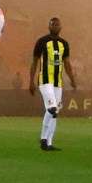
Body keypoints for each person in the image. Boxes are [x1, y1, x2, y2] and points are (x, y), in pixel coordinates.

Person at [29, 17, 77, 151]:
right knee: (52, 109)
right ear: (49, 26)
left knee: (55, 112)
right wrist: (31, 81)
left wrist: (72, 79)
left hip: (58, 83)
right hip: (45, 81)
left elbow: (67, 63)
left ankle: (48, 143)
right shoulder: (42, 42)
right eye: (53, 24)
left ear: (60, 27)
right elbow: (34, 62)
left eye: (57, 25)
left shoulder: (64, 44)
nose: (55, 26)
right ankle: (43, 139)